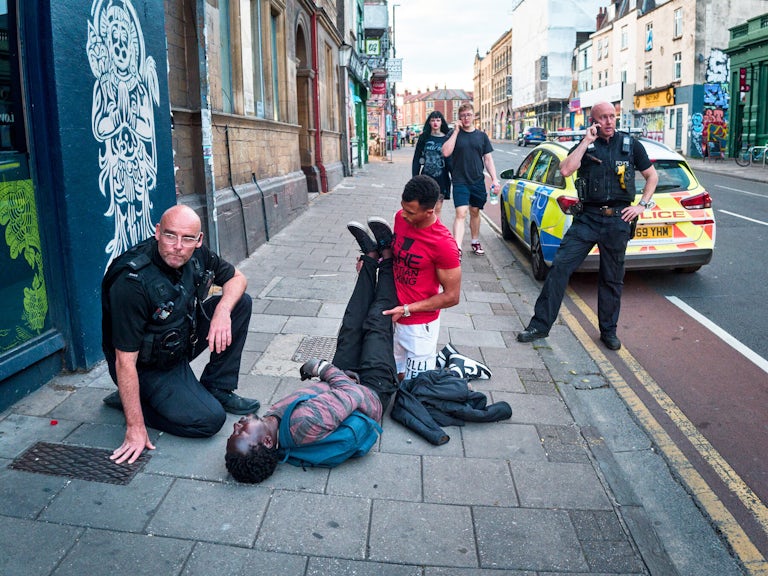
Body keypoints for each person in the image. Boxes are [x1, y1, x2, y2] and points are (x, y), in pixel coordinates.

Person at [225, 223, 400, 483]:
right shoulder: (304, 423)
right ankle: (387, 257)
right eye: (241, 433)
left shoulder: (273, 421)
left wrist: (330, 374)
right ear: (268, 441)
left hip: (343, 381)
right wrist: (320, 368)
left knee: (352, 321)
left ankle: (370, 258)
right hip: (371, 390)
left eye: (235, 431)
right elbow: (353, 394)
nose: (236, 425)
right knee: (377, 320)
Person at [101, 205, 260, 464]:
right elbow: (124, 361)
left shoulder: (196, 255)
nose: (177, 246)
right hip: (148, 366)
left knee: (240, 303)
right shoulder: (131, 281)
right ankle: (135, 401)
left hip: (179, 338)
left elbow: (237, 278)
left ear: (198, 240)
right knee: (210, 421)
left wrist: (222, 311)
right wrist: (135, 428)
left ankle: (217, 387)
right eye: (170, 235)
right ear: (157, 232)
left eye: (187, 238)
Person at [517, 101, 659, 351]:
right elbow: (565, 170)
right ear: (593, 121)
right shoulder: (586, 146)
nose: (609, 121)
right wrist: (585, 142)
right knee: (560, 267)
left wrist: (641, 205)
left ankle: (608, 332)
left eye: (612, 116)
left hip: (618, 220)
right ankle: (540, 326)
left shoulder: (630, 145)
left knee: (611, 278)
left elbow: (652, 176)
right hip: (588, 218)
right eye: (603, 117)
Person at [381, 175, 462, 380]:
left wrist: (407, 309)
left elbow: (452, 297)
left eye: (410, 212)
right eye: (403, 207)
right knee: (394, 374)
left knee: (417, 387)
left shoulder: (444, 244)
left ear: (429, 211)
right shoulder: (400, 218)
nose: (404, 215)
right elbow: (396, 254)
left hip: (420, 326)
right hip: (393, 315)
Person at [441, 103, 499, 256]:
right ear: (459, 118)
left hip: (477, 181)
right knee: (461, 213)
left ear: (473, 116)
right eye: (463, 115)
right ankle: (457, 249)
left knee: (474, 211)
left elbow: (488, 159)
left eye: (468, 115)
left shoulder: (481, 136)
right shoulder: (454, 134)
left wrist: (495, 179)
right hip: (460, 180)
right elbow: (446, 152)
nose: (466, 118)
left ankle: (474, 240)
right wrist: (455, 132)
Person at [412, 111, 452, 219]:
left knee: (438, 208)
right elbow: (416, 159)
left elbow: (451, 160)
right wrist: (415, 177)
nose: (435, 123)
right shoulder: (423, 138)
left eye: (438, 120)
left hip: (442, 178)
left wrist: (454, 176)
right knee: (426, 208)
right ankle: (426, 231)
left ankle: (435, 232)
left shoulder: (447, 138)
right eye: (433, 120)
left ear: (441, 122)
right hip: (426, 178)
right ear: (429, 122)